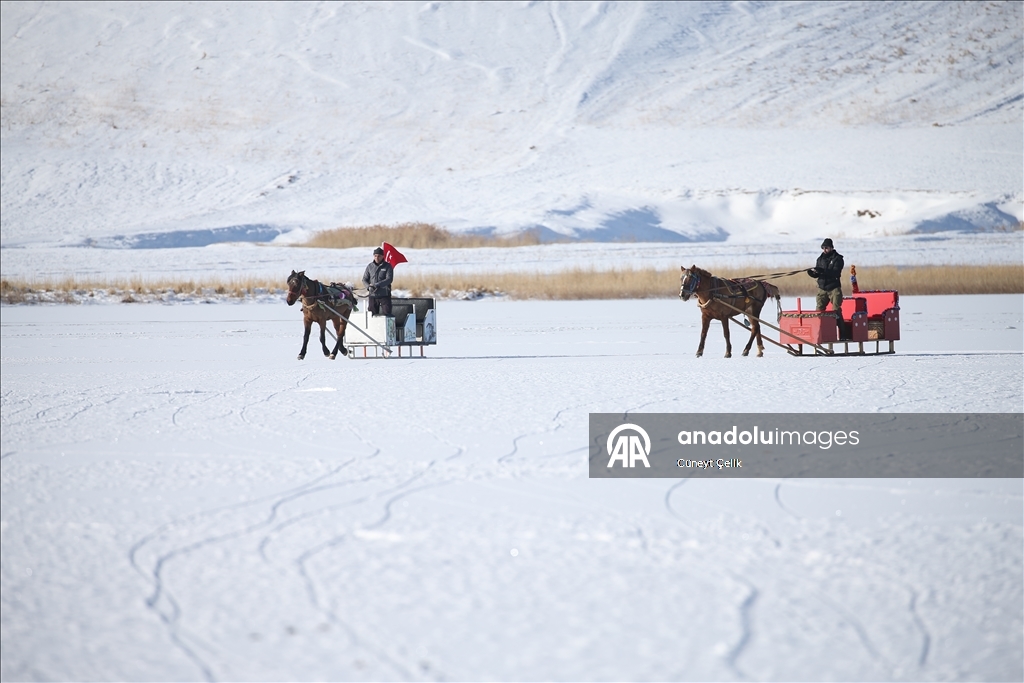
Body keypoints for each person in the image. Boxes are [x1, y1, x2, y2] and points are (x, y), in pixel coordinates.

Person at [807, 238, 848, 338]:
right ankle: (818, 334)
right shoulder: (820, 259)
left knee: (836, 311)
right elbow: (818, 274)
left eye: (827, 248)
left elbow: (835, 273)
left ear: (831, 248)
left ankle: (843, 334)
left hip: (834, 288)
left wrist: (822, 271)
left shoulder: (838, 259)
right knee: (819, 310)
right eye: (823, 248)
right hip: (822, 288)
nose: (825, 250)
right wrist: (812, 273)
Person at [362, 247, 394, 316]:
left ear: (382, 256)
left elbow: (389, 279)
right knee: (372, 315)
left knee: (387, 315)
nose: (377, 257)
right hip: (373, 295)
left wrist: (378, 284)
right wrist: (368, 287)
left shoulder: (387, 266)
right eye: (375, 256)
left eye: (379, 256)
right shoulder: (370, 266)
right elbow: (364, 279)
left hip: (384, 295)